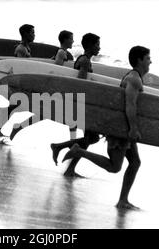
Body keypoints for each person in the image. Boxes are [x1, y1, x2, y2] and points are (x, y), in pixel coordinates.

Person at [61, 46, 150, 210]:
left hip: (124, 127)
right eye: (147, 58)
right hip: (120, 129)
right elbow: (129, 105)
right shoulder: (134, 80)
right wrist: (133, 129)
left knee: (135, 162)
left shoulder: (135, 77)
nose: (150, 61)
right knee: (114, 167)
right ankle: (79, 151)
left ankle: (123, 200)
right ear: (139, 60)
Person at [49, 33, 101, 176]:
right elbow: (81, 83)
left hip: (81, 102)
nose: (99, 47)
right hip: (82, 103)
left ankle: (67, 162)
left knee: (90, 138)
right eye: (97, 44)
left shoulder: (83, 59)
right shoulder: (84, 61)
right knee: (91, 137)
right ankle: (59, 148)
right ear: (90, 46)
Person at [7, 30, 74, 140]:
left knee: (46, 114)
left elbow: (54, 65)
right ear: (65, 40)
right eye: (71, 39)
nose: (73, 41)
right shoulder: (61, 52)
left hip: (57, 88)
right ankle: (73, 142)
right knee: (66, 114)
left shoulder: (62, 52)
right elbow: (56, 70)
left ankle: (18, 127)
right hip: (56, 88)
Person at [0, 24, 35, 137]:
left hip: (21, 83)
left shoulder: (26, 47)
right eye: (32, 32)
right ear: (25, 34)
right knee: (21, 105)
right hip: (18, 83)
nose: (34, 35)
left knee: (17, 105)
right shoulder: (21, 49)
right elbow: (18, 67)